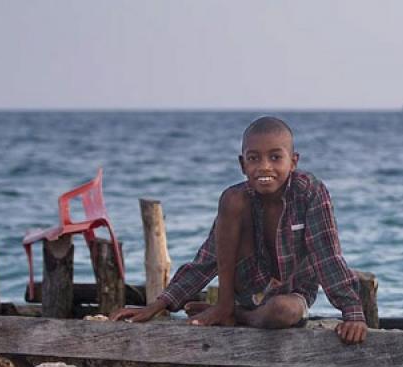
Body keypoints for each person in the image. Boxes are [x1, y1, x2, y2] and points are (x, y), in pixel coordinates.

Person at [111, 117, 368, 345]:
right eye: (254, 158)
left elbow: (327, 256)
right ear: (242, 164)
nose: (264, 166)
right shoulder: (237, 200)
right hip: (247, 289)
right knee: (231, 198)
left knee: (282, 311)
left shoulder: (309, 192)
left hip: (291, 294)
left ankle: (234, 314)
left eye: (275, 157)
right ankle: (226, 307)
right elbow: (208, 259)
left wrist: (352, 313)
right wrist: (157, 305)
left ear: (294, 162)